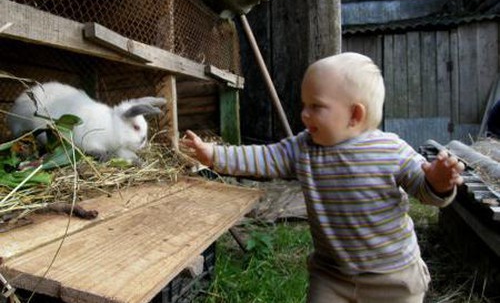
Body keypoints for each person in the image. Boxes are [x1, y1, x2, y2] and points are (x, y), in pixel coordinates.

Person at [182, 52, 464, 303]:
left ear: (354, 114)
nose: (304, 114)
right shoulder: (303, 148)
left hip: (393, 278)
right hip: (332, 275)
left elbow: (423, 190)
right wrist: (214, 156)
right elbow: (263, 157)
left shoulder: (390, 149)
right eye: (304, 104)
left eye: (316, 106)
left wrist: (438, 182)